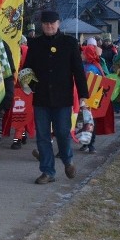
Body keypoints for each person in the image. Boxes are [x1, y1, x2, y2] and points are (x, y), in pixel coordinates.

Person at [22, 10, 89, 185]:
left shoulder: (69, 43)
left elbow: (78, 71)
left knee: (62, 132)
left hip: (62, 98)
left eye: (52, 23)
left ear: (58, 24)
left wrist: (83, 95)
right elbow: (27, 69)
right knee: (43, 136)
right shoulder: (35, 44)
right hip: (41, 98)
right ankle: (47, 171)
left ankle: (68, 161)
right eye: (45, 24)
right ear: (41, 25)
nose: (49, 26)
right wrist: (31, 86)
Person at [81, 44, 115, 152]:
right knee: (83, 121)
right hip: (83, 98)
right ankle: (85, 143)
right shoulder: (84, 65)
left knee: (90, 121)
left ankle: (91, 144)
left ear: (88, 55)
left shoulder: (93, 67)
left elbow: (96, 84)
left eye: (83, 53)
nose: (81, 55)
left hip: (91, 99)